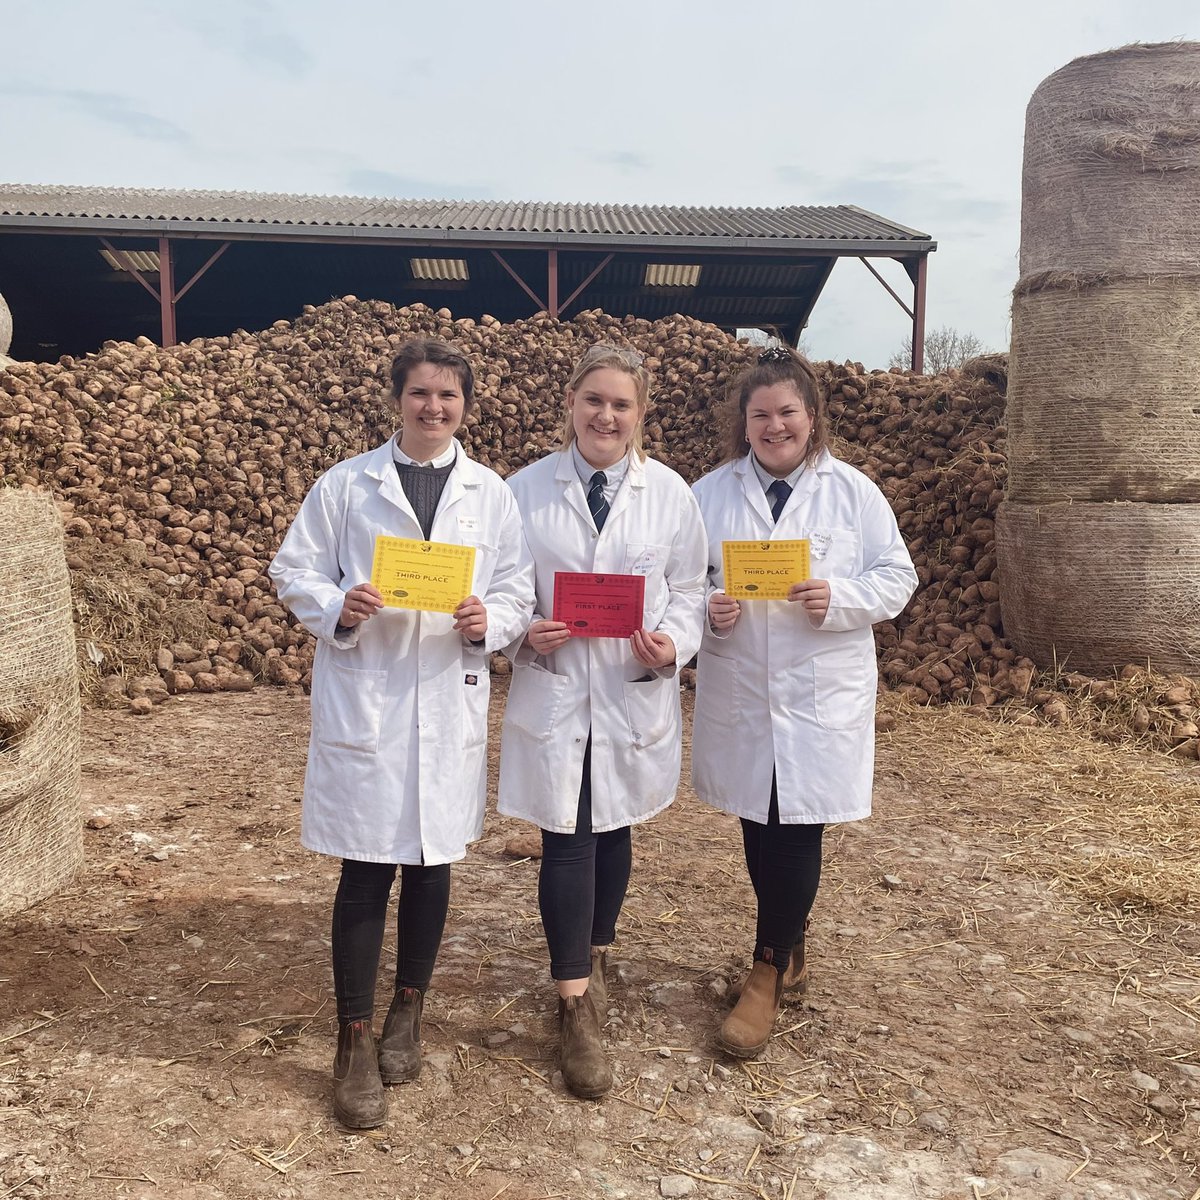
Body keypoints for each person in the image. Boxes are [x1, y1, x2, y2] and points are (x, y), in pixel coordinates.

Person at [269, 339, 534, 1128]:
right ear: (397, 399)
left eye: (448, 397)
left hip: (446, 694)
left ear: (466, 406)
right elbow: (293, 570)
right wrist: (338, 607)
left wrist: (498, 619)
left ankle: (407, 1010)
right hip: (371, 698)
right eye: (420, 394)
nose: (433, 408)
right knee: (366, 866)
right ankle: (352, 1036)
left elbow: (516, 584)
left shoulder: (490, 494)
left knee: (432, 861)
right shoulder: (347, 485)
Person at [690, 345, 917, 1058]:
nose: (774, 426)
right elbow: (675, 578)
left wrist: (840, 596)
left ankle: (766, 969)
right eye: (761, 415)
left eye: (788, 412)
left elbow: (897, 576)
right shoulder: (710, 494)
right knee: (759, 820)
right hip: (745, 690)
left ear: (812, 419)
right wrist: (706, 607)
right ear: (745, 422)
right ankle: (789, 945)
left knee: (798, 824)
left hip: (819, 689)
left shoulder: (853, 493)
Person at [498, 343, 707, 1099]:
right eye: (594, 401)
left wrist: (673, 642)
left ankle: (599, 948)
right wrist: (524, 627)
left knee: (614, 825)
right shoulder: (523, 491)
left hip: (628, 685)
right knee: (568, 834)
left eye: (621, 405)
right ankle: (574, 1003)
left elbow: (687, 587)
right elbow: (502, 583)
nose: (606, 416)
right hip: (557, 686)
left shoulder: (671, 495)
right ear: (570, 403)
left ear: (640, 414)